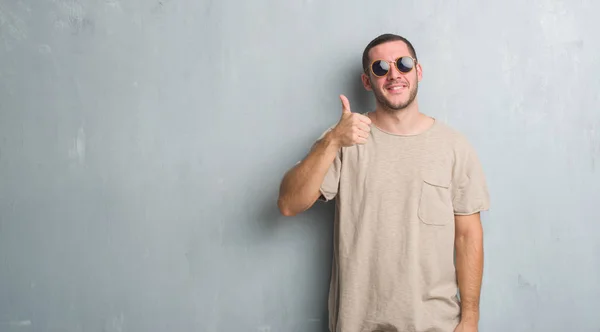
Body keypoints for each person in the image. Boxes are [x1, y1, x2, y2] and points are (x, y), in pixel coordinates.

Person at [277, 33, 490, 332]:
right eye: (380, 68)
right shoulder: (344, 138)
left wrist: (470, 318)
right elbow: (288, 203)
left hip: (435, 325)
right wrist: (333, 141)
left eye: (403, 64)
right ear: (367, 81)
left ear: (418, 71)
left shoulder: (454, 147)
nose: (394, 74)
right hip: (358, 323)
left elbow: (468, 237)